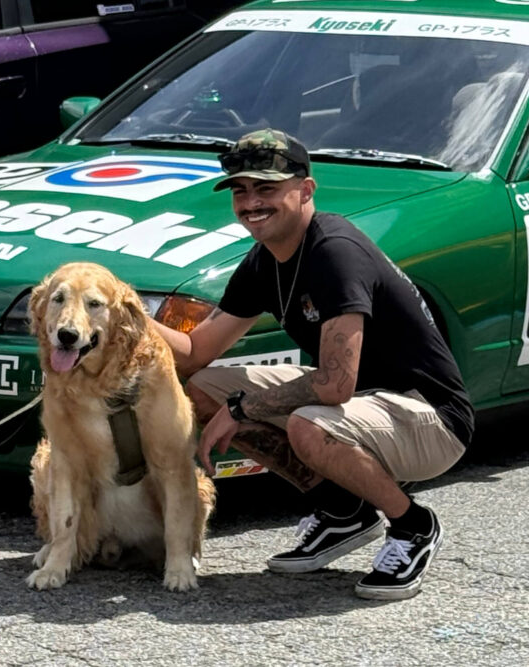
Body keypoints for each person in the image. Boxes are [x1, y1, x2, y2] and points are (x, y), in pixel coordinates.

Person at [155, 129, 474, 600]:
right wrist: (120, 308)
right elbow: (196, 352)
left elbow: (335, 385)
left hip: (430, 417)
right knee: (203, 387)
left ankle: (412, 526)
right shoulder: (265, 259)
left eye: (266, 189)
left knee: (309, 424)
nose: (250, 203)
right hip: (361, 405)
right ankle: (344, 512)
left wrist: (244, 409)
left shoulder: (334, 252)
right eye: (240, 191)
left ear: (305, 190)